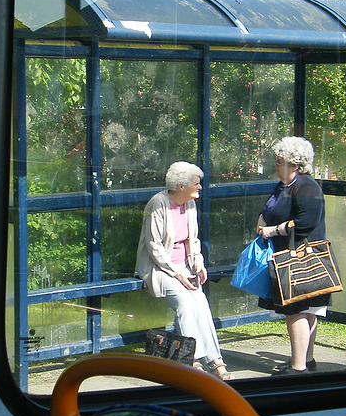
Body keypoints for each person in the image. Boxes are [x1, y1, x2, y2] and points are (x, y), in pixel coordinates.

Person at [135, 161, 235, 381]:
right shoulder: (158, 204)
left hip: (185, 266)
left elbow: (193, 240)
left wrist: (198, 263)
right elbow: (154, 247)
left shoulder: (189, 203)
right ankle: (193, 359)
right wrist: (178, 273)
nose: (200, 187)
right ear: (181, 186)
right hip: (161, 268)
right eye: (196, 183)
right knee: (185, 303)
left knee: (200, 301)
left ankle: (215, 359)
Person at [257, 136, 330, 376]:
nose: (275, 165)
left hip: (301, 259)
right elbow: (272, 210)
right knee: (303, 309)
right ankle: (305, 360)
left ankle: (299, 367)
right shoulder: (284, 185)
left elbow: (305, 222)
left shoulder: (307, 185)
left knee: (297, 310)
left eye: (280, 161)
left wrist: (273, 229)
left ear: (295, 165)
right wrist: (262, 222)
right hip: (290, 256)